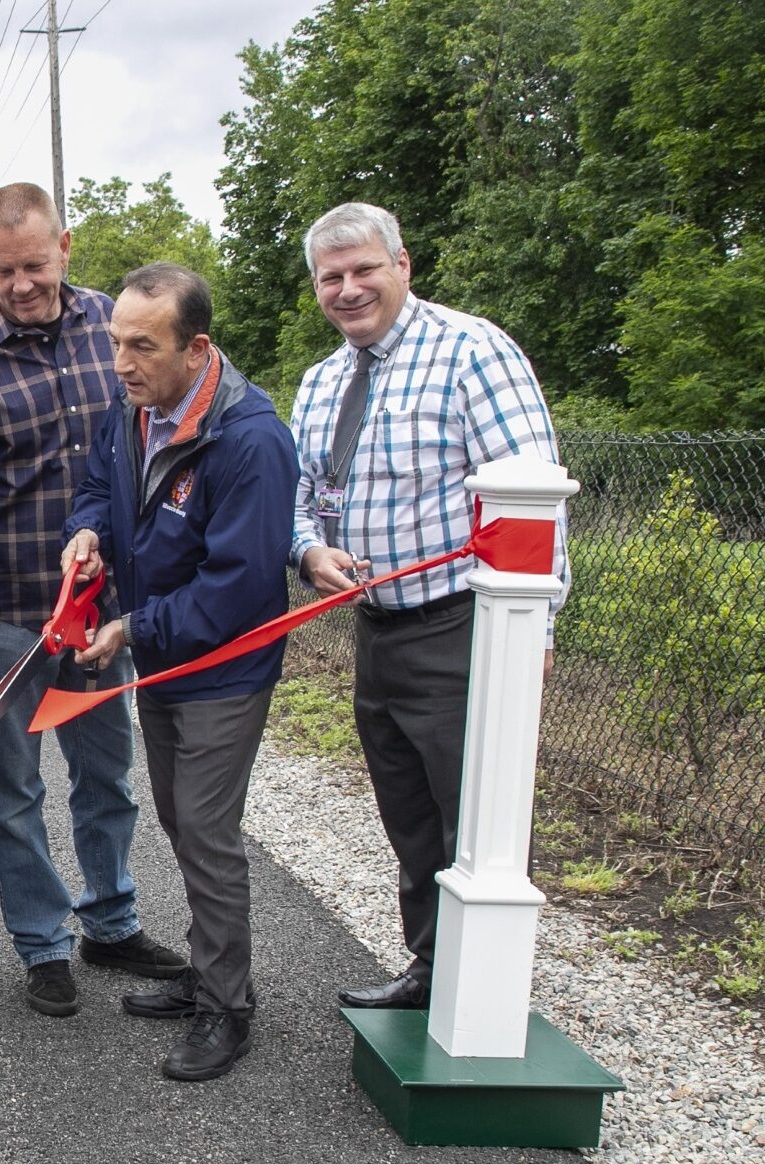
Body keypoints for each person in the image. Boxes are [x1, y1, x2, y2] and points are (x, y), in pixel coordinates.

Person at [288, 202, 567, 1011]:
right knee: (407, 813)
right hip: (377, 631)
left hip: (462, 626)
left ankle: (490, 991)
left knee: (471, 816)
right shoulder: (323, 380)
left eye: (364, 270)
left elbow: (533, 498)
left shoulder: (472, 352)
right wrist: (308, 550)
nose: (349, 290)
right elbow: (303, 498)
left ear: (402, 266)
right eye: (331, 278)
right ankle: (432, 969)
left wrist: (536, 628)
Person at [0, 183, 184, 1018]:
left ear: (64, 248)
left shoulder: (113, 323)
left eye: (34, 265)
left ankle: (111, 920)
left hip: (100, 615)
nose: (21, 283)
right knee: (16, 788)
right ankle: (42, 942)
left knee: (106, 775)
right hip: (5, 612)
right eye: (4, 270)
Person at [62, 264, 298, 1081]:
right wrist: (88, 533)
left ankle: (227, 1007)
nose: (121, 363)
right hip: (162, 662)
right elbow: (98, 486)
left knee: (203, 829)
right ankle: (209, 973)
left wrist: (130, 627)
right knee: (180, 819)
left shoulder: (251, 439)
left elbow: (236, 589)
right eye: (115, 342)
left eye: (142, 347)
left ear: (197, 348)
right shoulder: (135, 412)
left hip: (221, 669)